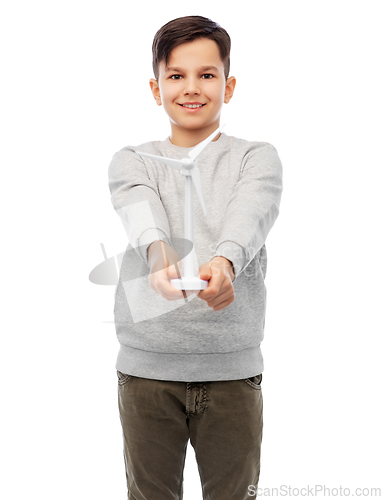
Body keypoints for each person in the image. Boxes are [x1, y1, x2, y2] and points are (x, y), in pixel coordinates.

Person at [108, 15, 283, 500]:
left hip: (232, 373)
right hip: (147, 372)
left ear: (228, 86)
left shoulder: (256, 156)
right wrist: (162, 260)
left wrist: (224, 263)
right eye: (176, 75)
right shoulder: (133, 159)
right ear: (155, 86)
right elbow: (142, 215)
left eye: (207, 75)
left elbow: (250, 215)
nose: (191, 88)